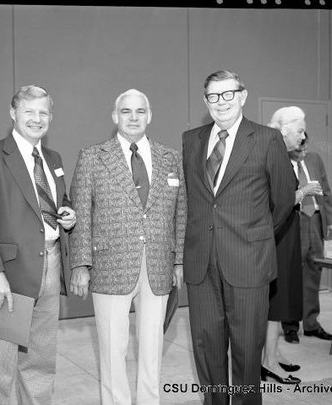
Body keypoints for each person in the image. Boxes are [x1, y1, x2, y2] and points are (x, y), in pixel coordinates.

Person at [182, 70, 296, 405]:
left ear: (243, 96)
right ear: (206, 102)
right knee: (207, 349)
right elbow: (194, 198)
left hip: (248, 262)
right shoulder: (192, 139)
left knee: (247, 352)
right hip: (201, 264)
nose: (221, 102)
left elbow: (285, 198)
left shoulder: (266, 139)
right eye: (213, 96)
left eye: (228, 94)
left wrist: (255, 236)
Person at [69, 89, 186, 405]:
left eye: (139, 111)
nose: (133, 117)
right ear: (114, 116)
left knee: (152, 348)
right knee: (112, 350)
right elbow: (81, 213)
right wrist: (80, 265)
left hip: (158, 267)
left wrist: (179, 262)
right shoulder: (93, 157)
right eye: (125, 111)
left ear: (149, 116)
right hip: (109, 266)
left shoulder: (170, 158)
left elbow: (181, 212)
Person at [0, 85, 76, 404]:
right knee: (1, 366)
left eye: (43, 112)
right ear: (13, 113)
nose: (36, 118)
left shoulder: (53, 158)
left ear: (51, 117)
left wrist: (67, 214)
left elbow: (54, 202)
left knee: (41, 360)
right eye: (29, 111)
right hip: (10, 274)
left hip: (51, 267)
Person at [261, 106, 309, 385]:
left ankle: (273, 354)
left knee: (279, 302)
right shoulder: (274, 157)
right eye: (300, 130)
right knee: (275, 304)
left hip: (285, 234)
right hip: (277, 237)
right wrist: (302, 192)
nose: (303, 136)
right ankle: (267, 361)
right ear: (283, 129)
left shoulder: (280, 155)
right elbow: (278, 202)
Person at [281, 131, 332, 342]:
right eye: (299, 150)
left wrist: (330, 221)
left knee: (314, 270)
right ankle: (290, 326)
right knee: (291, 275)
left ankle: (311, 324)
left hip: (314, 220)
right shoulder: (281, 163)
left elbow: (327, 191)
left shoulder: (315, 159)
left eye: (305, 148)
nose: (304, 153)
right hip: (294, 222)